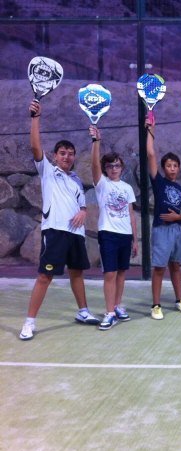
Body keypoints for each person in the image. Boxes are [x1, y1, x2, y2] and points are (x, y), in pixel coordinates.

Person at [19, 99, 98, 341]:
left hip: (76, 234)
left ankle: (83, 312)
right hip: (55, 231)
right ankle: (29, 322)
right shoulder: (47, 171)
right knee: (45, 276)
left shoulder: (75, 179)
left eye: (71, 154)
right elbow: (35, 146)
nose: (67, 157)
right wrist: (35, 118)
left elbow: (81, 204)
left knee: (77, 273)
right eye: (63, 153)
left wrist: (83, 211)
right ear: (54, 156)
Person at [89, 125, 138, 330]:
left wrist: (135, 240)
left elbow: (131, 214)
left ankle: (117, 306)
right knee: (110, 273)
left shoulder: (127, 188)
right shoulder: (102, 184)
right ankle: (109, 313)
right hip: (108, 234)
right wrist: (96, 142)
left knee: (121, 273)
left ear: (122, 168)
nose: (114, 168)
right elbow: (94, 165)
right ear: (105, 169)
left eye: (117, 165)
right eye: (110, 166)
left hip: (125, 235)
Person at [146, 114, 181, 320]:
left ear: (179, 168)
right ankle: (156, 305)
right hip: (161, 230)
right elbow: (150, 154)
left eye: (175, 165)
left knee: (176, 266)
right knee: (159, 268)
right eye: (169, 165)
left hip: (177, 230)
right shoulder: (159, 182)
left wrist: (177, 217)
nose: (172, 168)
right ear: (163, 168)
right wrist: (151, 130)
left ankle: (179, 300)